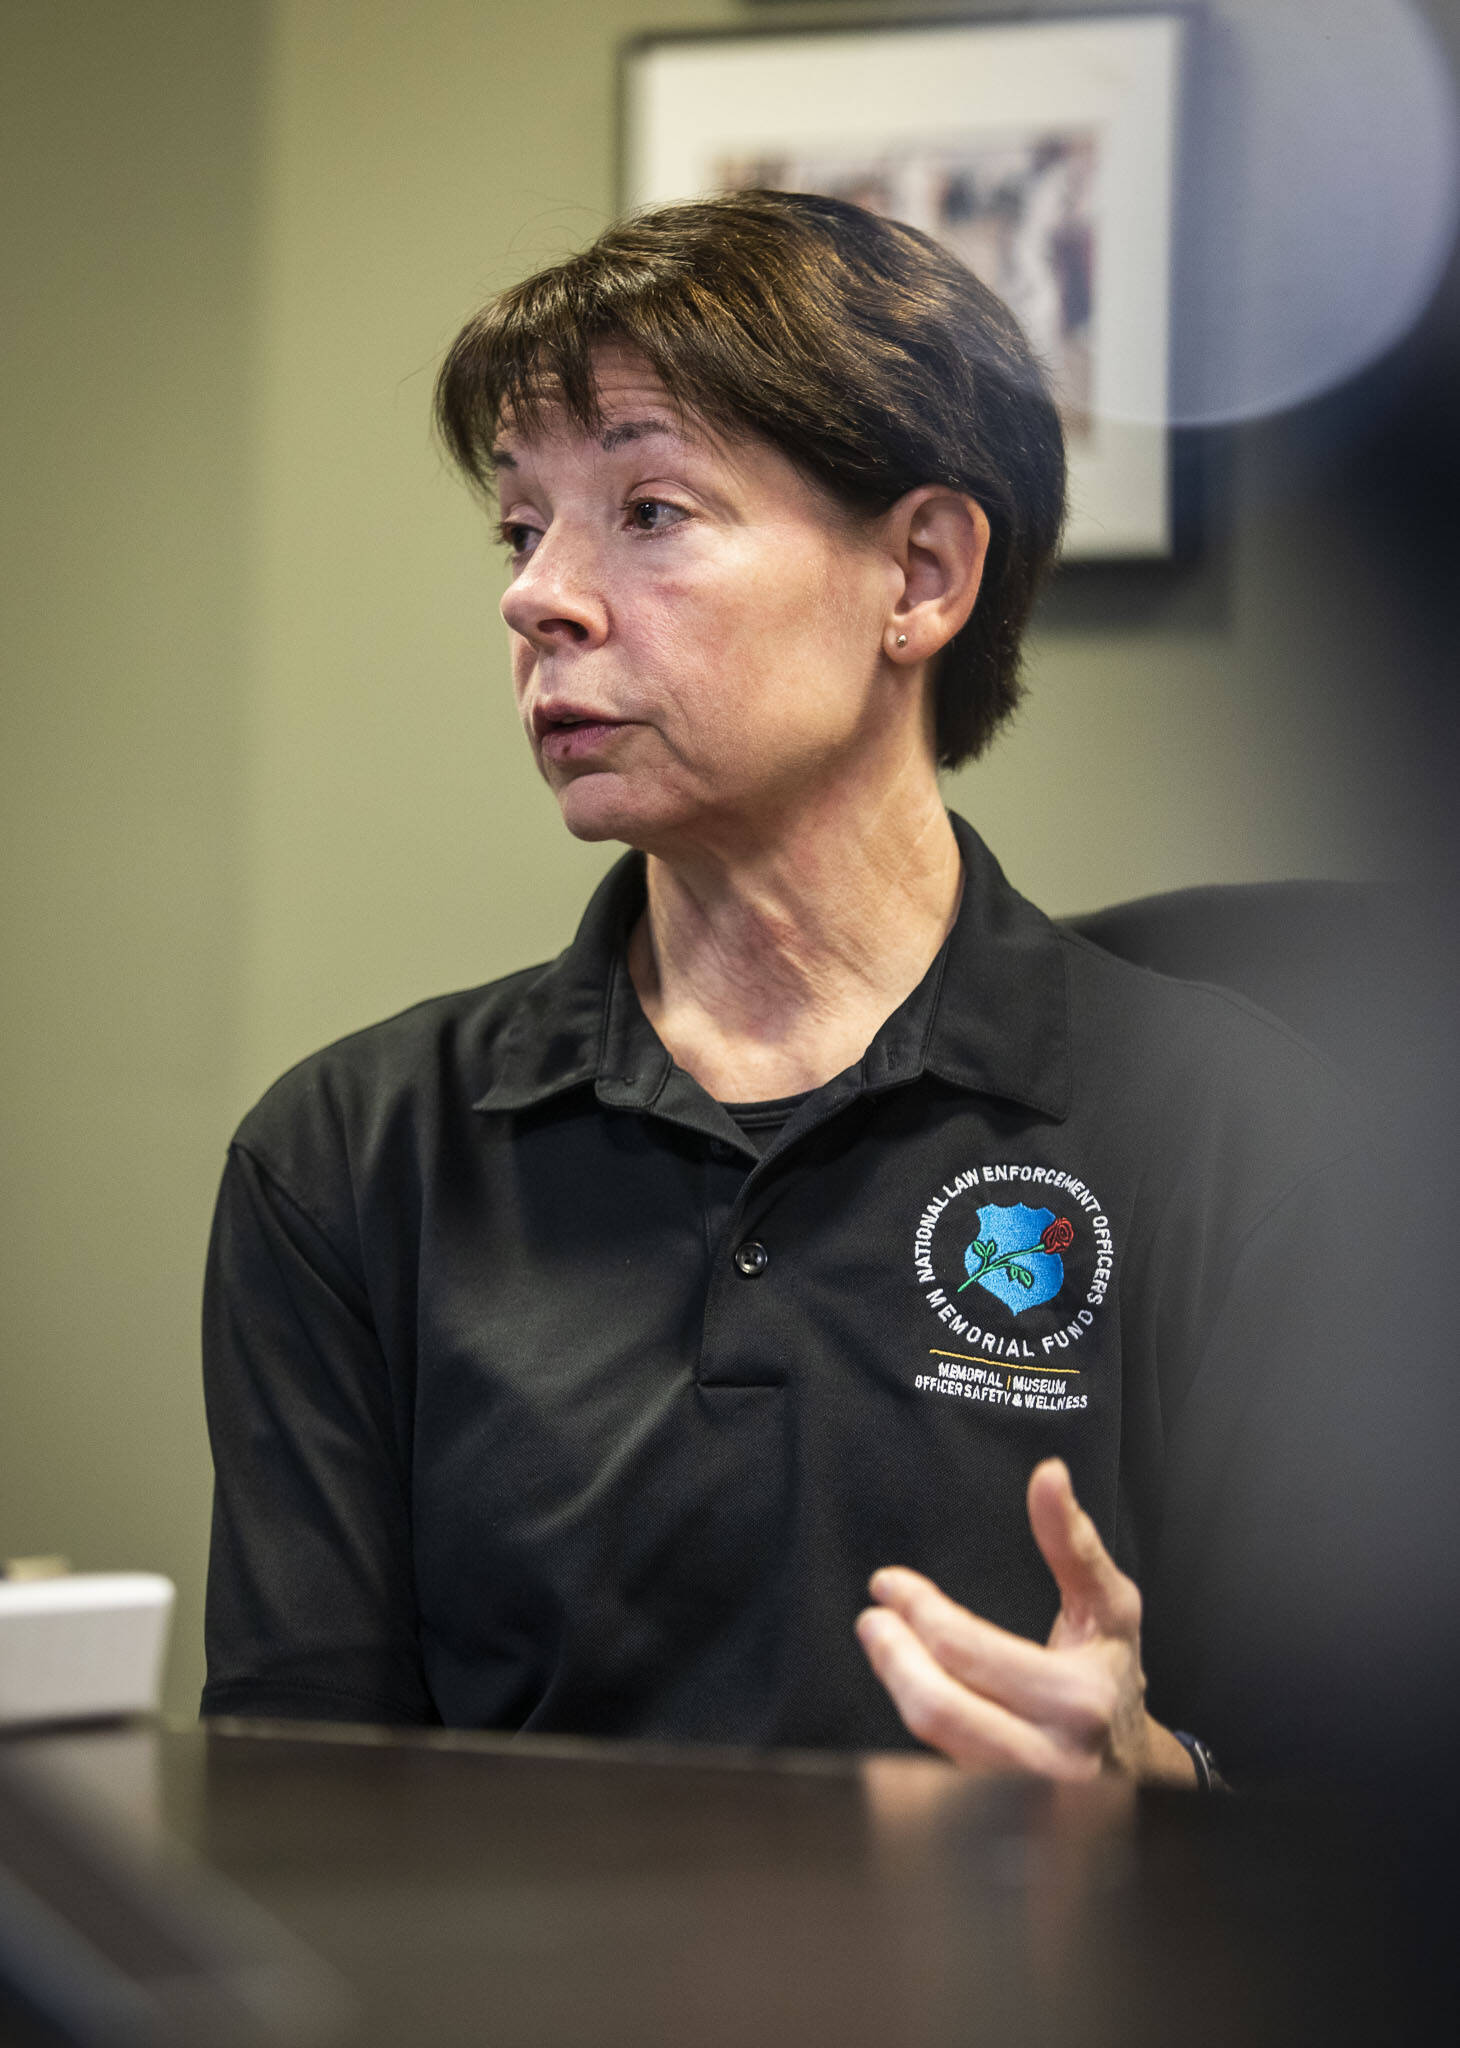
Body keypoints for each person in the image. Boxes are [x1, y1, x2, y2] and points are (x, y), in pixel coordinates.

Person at [201, 190, 1360, 1785]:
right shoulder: (351, 1155)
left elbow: (1370, 1840)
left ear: (924, 576)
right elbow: (297, 1816)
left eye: (651, 510)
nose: (537, 596)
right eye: (520, 525)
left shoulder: (1243, 1129)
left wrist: (1150, 1779)